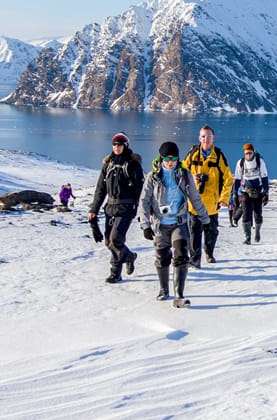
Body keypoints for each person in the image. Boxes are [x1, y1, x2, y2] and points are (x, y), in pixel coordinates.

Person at [140, 141, 211, 308]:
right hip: (160, 224)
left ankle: (178, 296)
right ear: (161, 157)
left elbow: (195, 198)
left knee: (180, 255)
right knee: (162, 257)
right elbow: (143, 201)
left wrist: (205, 219)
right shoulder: (153, 176)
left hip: (179, 222)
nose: (170, 161)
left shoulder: (184, 175)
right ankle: (164, 290)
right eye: (167, 158)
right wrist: (145, 225)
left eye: (173, 158)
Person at [89, 132, 144, 284]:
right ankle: (129, 256)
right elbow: (101, 189)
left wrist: (142, 211)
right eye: (114, 144)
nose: (116, 147)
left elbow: (140, 189)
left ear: (125, 146)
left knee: (115, 239)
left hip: (126, 207)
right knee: (109, 242)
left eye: (119, 144)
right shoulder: (108, 165)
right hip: (111, 207)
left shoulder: (132, 165)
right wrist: (94, 209)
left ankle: (115, 273)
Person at [181, 125, 232, 267]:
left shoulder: (219, 156)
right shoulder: (192, 154)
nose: (206, 139)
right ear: (199, 138)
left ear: (213, 138)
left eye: (209, 136)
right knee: (194, 232)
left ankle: (209, 253)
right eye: (203, 136)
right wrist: (193, 177)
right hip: (194, 203)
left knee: (211, 232)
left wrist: (224, 198)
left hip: (212, 203)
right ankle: (195, 259)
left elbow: (228, 178)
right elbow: (182, 172)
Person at [231, 142, 269, 244]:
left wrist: (266, 193)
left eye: (250, 153)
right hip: (245, 191)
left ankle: (257, 232)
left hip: (258, 191)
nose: (248, 155)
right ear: (244, 153)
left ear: (253, 152)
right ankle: (247, 238)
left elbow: (265, 178)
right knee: (246, 214)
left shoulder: (260, 162)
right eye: (246, 153)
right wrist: (235, 194)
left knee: (257, 215)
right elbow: (237, 179)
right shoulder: (240, 163)